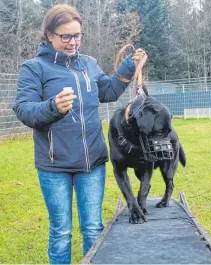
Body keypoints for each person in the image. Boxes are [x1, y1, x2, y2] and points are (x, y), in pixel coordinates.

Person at [13, 4, 145, 264]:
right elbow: (24, 110)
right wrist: (53, 107)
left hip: (92, 163)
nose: (73, 42)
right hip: (54, 165)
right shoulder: (34, 68)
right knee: (61, 233)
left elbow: (107, 91)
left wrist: (130, 66)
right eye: (66, 36)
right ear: (49, 35)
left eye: (77, 35)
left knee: (94, 228)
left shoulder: (89, 64)